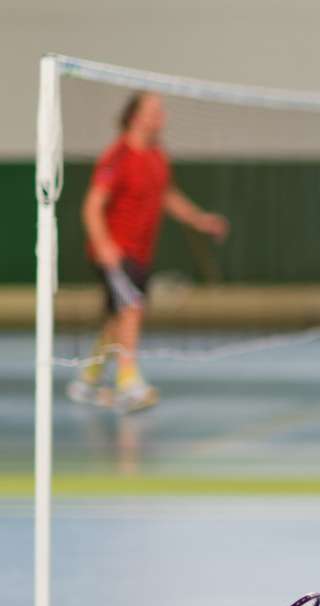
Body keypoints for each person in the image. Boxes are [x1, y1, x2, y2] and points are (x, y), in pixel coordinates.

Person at [69, 92, 229, 413]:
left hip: (141, 252)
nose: (161, 116)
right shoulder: (117, 157)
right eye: (153, 110)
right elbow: (92, 206)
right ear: (134, 116)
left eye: (162, 110)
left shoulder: (157, 155)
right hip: (115, 252)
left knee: (119, 319)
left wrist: (198, 219)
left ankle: (87, 381)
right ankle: (129, 384)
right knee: (131, 309)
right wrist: (104, 245)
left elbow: (167, 194)